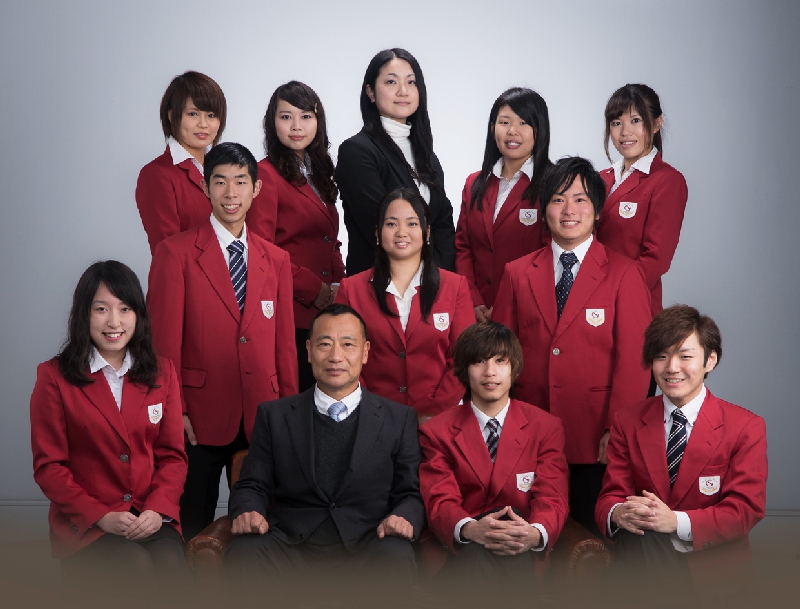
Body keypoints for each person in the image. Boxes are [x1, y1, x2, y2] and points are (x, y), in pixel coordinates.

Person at [147, 142, 297, 541]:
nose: (231, 193)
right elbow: (162, 344)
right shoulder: (175, 253)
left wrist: (289, 413)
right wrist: (173, 412)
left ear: (256, 189)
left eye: (241, 182)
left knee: (259, 529)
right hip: (198, 418)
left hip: (263, 415)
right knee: (191, 526)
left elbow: (284, 347)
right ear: (205, 187)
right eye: (220, 182)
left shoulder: (276, 259)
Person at [493, 157, 651, 534]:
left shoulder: (625, 273)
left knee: (591, 541)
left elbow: (635, 363)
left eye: (580, 199)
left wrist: (618, 431)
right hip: (527, 434)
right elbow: (498, 357)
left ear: (597, 211)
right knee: (524, 540)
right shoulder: (517, 273)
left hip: (594, 439)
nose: (569, 210)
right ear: (544, 209)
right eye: (558, 199)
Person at [224, 304, 425, 596]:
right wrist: (248, 510)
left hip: (367, 544)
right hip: (291, 546)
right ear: (308, 350)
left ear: (365, 351)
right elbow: (253, 483)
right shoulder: (274, 415)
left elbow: (410, 491)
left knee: (396, 554)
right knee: (245, 551)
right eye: (324, 344)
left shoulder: (399, 419)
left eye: (348, 344)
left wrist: (405, 516)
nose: (335, 356)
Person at [30, 261, 188, 591]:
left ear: (138, 315)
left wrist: (157, 510)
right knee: (133, 565)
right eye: (101, 309)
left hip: (148, 514)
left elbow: (173, 457)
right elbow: (50, 467)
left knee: (172, 563)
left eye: (125, 309)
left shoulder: (163, 372)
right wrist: (101, 515)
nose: (114, 322)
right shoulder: (54, 377)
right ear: (83, 314)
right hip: (87, 522)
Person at [595, 305, 767, 589]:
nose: (672, 368)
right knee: (643, 539)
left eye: (685, 356)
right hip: (642, 558)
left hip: (711, 567)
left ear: (710, 360)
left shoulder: (745, 426)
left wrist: (674, 521)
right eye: (661, 357)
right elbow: (610, 496)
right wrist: (619, 513)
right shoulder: (627, 421)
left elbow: (744, 509)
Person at [419, 321, 569, 584]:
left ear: (514, 368)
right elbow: (440, 501)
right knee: (478, 552)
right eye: (479, 362)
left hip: (521, 546)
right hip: (461, 551)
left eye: (500, 361)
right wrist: (471, 529)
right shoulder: (436, 432)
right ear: (464, 370)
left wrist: (533, 534)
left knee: (511, 543)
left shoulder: (545, 427)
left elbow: (552, 496)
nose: (490, 372)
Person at [335, 188, 474, 417]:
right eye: (391, 224)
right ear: (378, 232)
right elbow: (343, 357)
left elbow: (464, 359)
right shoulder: (351, 289)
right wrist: (372, 411)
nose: (401, 232)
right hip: (371, 417)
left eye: (412, 223)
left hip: (437, 419)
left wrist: (431, 412)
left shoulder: (455, 287)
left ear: (426, 232)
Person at [247, 81, 345, 392]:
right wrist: (313, 289)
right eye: (286, 117)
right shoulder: (264, 174)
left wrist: (339, 286)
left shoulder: (318, 172)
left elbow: (330, 240)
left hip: (327, 309)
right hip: (292, 310)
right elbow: (260, 250)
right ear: (271, 122)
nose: (296, 126)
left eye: (305, 116)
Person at [336, 48, 456, 276]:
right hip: (378, 284)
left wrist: (439, 280)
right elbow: (382, 227)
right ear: (370, 92)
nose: (403, 91)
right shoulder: (357, 152)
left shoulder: (427, 156)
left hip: (433, 284)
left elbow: (443, 225)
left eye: (411, 82)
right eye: (391, 82)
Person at [455, 87, 553, 322]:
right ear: (492, 128)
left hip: (528, 310)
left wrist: (505, 301)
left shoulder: (555, 183)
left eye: (523, 123)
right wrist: (473, 299)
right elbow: (463, 247)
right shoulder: (474, 183)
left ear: (539, 129)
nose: (512, 131)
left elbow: (550, 253)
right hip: (477, 313)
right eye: (504, 122)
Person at [596, 84, 688, 317]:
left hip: (631, 304)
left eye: (635, 120)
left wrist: (608, 292)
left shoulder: (667, 181)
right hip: (589, 303)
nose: (625, 132)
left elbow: (656, 259)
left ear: (657, 123)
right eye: (616, 123)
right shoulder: (599, 179)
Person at [136, 71, 227, 255]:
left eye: (211, 115)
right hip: (188, 274)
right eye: (193, 114)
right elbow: (168, 251)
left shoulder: (224, 170)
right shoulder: (156, 174)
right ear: (172, 115)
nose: (203, 124)